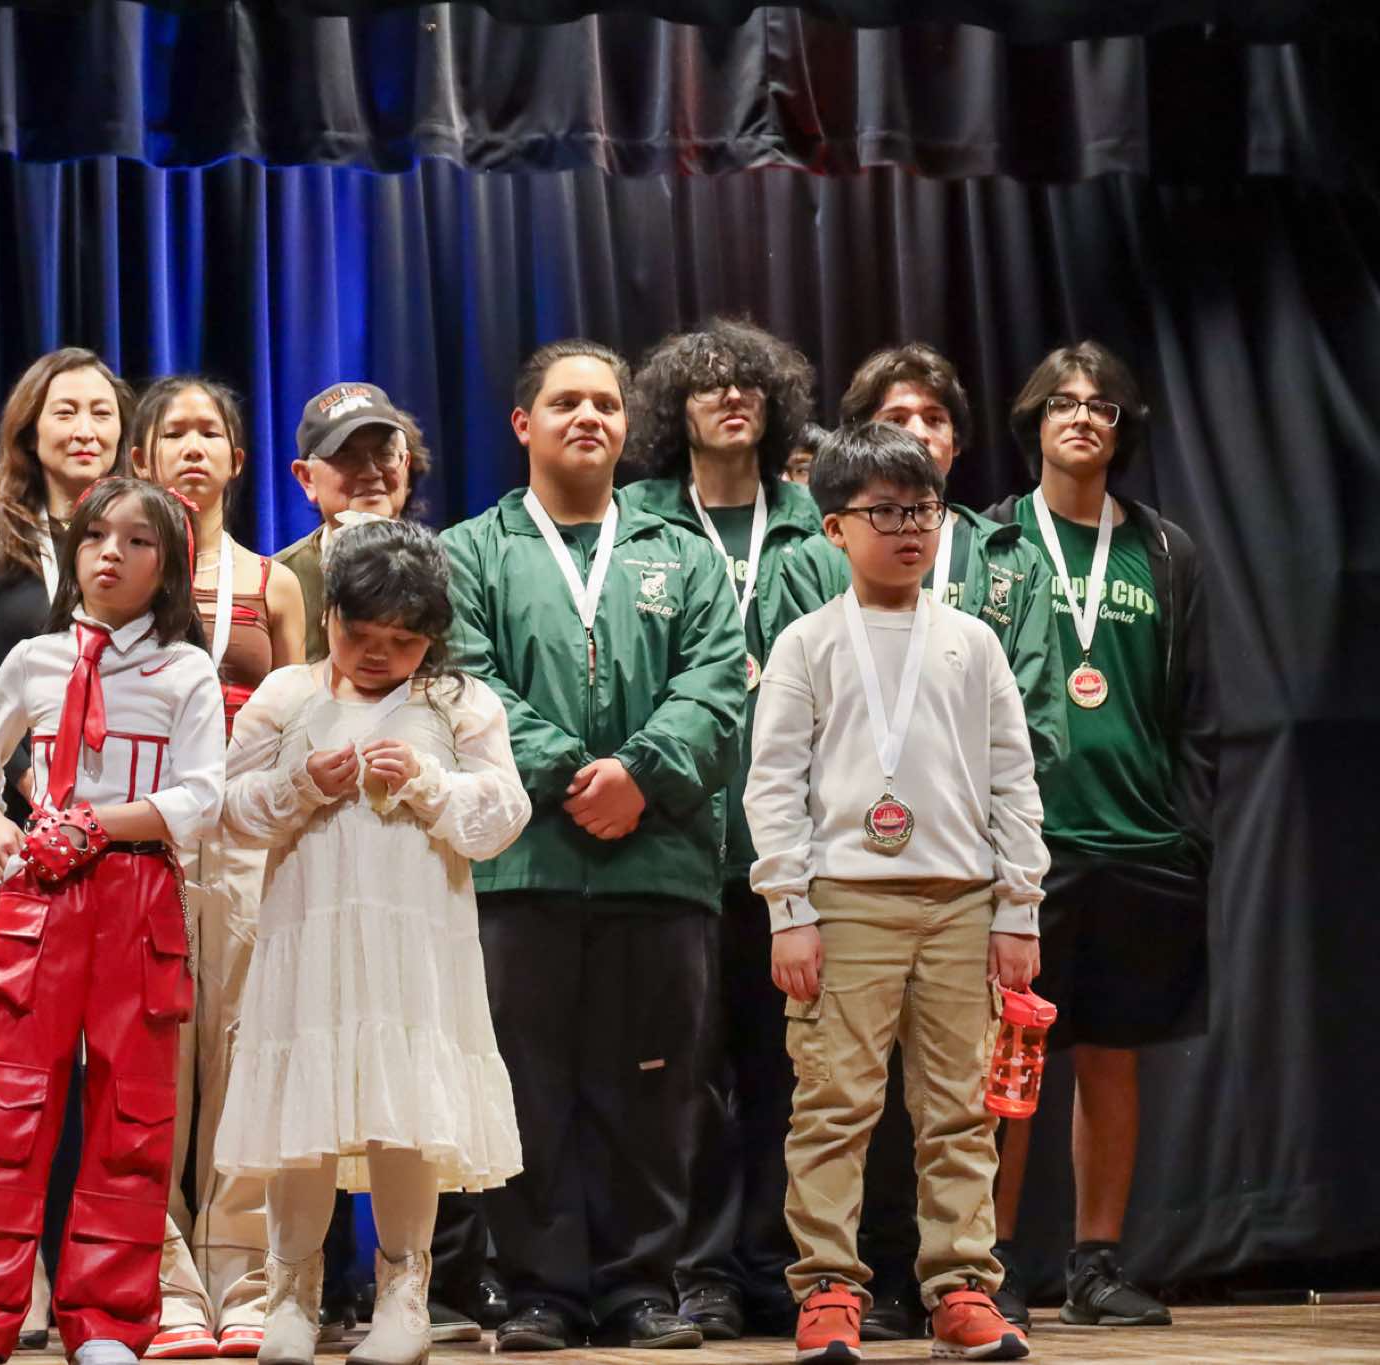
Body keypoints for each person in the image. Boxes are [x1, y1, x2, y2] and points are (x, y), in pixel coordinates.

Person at [442, 340, 744, 1352]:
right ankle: (539, 1291)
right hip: (519, 864)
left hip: (656, 869)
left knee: (652, 1092)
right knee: (526, 1090)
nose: (589, 418)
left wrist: (641, 775)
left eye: (606, 404)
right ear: (521, 424)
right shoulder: (468, 553)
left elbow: (716, 687)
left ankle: (639, 1289)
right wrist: (577, 774)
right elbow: (465, 683)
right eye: (566, 402)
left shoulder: (684, 555)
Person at [776, 342, 1068, 1336]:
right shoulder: (807, 642)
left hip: (960, 901)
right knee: (832, 1105)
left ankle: (960, 1285)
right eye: (884, 513)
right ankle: (827, 1284)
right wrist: (787, 908)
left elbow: (1013, 779)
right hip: (845, 900)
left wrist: (1017, 907)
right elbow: (774, 786)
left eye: (922, 511)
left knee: (959, 1108)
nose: (907, 530)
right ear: (833, 527)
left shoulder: (971, 641)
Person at [0, 477, 225, 1365]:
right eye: (95, 536)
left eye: (136, 540)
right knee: (0, 1107)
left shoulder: (187, 669)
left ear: (170, 564)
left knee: (132, 1118)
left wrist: (99, 824)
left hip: (137, 896)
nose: (110, 554)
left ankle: (109, 1322)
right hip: (37, 899)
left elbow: (201, 797)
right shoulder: (35, 658)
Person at [214, 518, 529, 1365]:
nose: (380, 654)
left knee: (405, 1109)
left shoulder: (459, 702)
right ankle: (291, 1295)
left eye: (404, 640)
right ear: (330, 617)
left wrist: (426, 783)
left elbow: (503, 814)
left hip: (413, 948)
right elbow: (227, 810)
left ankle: (404, 1295)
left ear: (433, 636)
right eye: (361, 635)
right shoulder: (286, 696)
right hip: (308, 940)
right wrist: (297, 785)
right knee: (303, 1111)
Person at [984, 342, 1216, 1330]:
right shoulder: (994, 542)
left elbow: (1194, 705)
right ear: (1032, 422)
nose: (1082, 416)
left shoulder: (1164, 549)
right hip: (1027, 848)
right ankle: (987, 1263)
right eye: (1062, 403)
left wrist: (1185, 829)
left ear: (1122, 431)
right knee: (1008, 1063)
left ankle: (1095, 1264)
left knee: (1113, 1058)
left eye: (1101, 406)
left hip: (1139, 842)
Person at [626, 319, 823, 1341]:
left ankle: (777, 1264)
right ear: (675, 408)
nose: (731, 396)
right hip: (676, 847)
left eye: (749, 383)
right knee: (687, 1082)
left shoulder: (815, 526)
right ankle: (697, 1270)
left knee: (789, 1077)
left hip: (792, 854)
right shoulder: (635, 524)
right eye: (707, 385)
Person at [0, 349, 134, 1342]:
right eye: (65, 411)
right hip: (19, 829)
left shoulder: (144, 527)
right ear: (30, 426)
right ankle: (12, 1286)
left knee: (111, 1074)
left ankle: (99, 1284)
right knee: (20, 1070)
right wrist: (22, 771)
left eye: (101, 411)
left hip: (123, 829)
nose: (84, 428)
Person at [126, 375, 306, 1357]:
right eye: (174, 434)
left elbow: (300, 723)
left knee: (241, 1057)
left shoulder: (273, 583)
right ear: (142, 458)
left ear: (237, 460)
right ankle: (161, 1284)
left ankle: (244, 1279)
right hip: (147, 839)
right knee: (150, 1060)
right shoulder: (116, 573)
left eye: (209, 434)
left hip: (242, 843)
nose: (192, 448)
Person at [272, 383, 429, 664]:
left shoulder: (446, 571)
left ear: (405, 464)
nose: (370, 472)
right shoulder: (278, 581)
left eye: (384, 454)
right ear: (306, 478)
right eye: (346, 456)